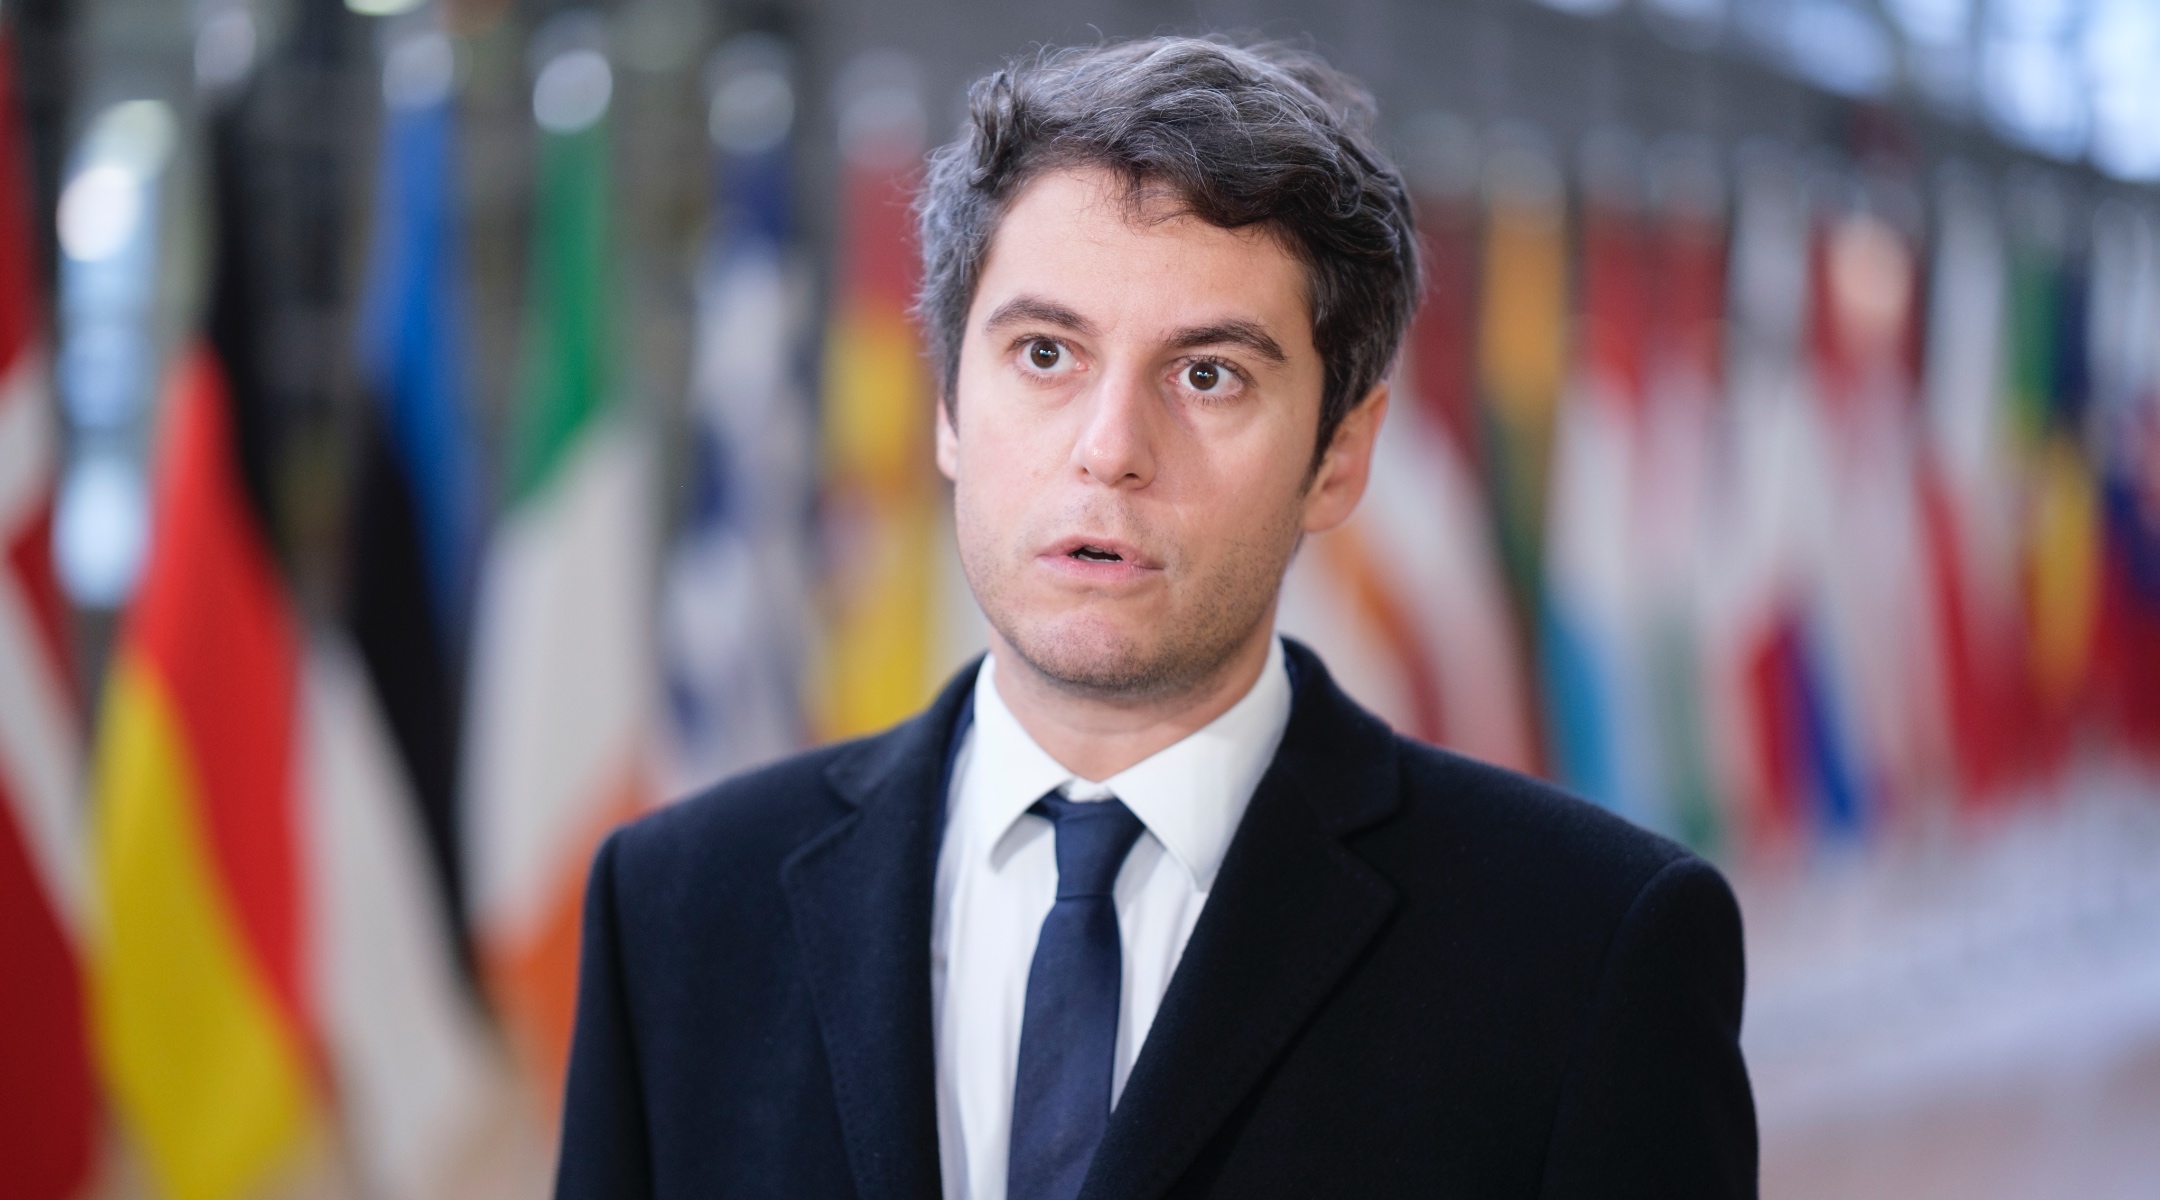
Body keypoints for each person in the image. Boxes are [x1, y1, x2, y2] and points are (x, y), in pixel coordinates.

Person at [556, 36, 1756, 1200]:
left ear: (1341, 454)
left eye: (1207, 375)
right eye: (1043, 353)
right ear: (949, 410)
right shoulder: (676, 909)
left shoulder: (1590, 950)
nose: (1110, 452)